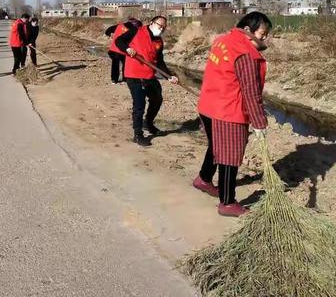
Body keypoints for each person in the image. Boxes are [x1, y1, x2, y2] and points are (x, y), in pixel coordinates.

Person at [194, 11, 272, 217]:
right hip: (228, 110)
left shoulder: (224, 40)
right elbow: (250, 91)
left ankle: (203, 179)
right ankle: (227, 202)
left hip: (209, 105)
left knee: (216, 146)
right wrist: (259, 122)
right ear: (248, 31)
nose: (264, 39)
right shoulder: (244, 52)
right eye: (262, 34)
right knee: (230, 156)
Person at [116, 16, 179, 146]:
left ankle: (148, 123)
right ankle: (138, 134)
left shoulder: (158, 41)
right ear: (151, 23)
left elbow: (159, 62)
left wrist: (169, 76)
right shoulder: (136, 31)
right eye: (159, 25)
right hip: (134, 74)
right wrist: (127, 49)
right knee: (139, 105)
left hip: (149, 75)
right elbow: (119, 41)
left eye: (163, 27)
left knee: (157, 98)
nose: (161, 28)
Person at [105, 18, 142, 84]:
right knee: (125, 64)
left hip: (114, 49)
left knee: (115, 65)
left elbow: (108, 30)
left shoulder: (119, 26)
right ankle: (125, 79)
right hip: (123, 50)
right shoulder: (133, 30)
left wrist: (110, 35)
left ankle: (114, 80)